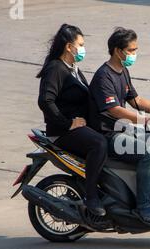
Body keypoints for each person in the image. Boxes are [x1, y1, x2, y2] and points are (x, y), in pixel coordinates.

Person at [89, 27, 150, 226]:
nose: (134, 54)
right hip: (107, 134)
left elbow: (136, 100)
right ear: (118, 51)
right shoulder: (103, 77)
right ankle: (143, 207)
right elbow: (115, 110)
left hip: (123, 129)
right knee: (147, 153)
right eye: (131, 50)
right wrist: (147, 121)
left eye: (136, 49)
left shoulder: (122, 71)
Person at [37, 24, 107, 216]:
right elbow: (45, 100)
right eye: (81, 44)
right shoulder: (56, 68)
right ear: (69, 47)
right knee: (98, 144)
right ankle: (91, 197)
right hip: (62, 132)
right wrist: (68, 123)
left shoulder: (73, 68)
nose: (83, 49)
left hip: (78, 128)